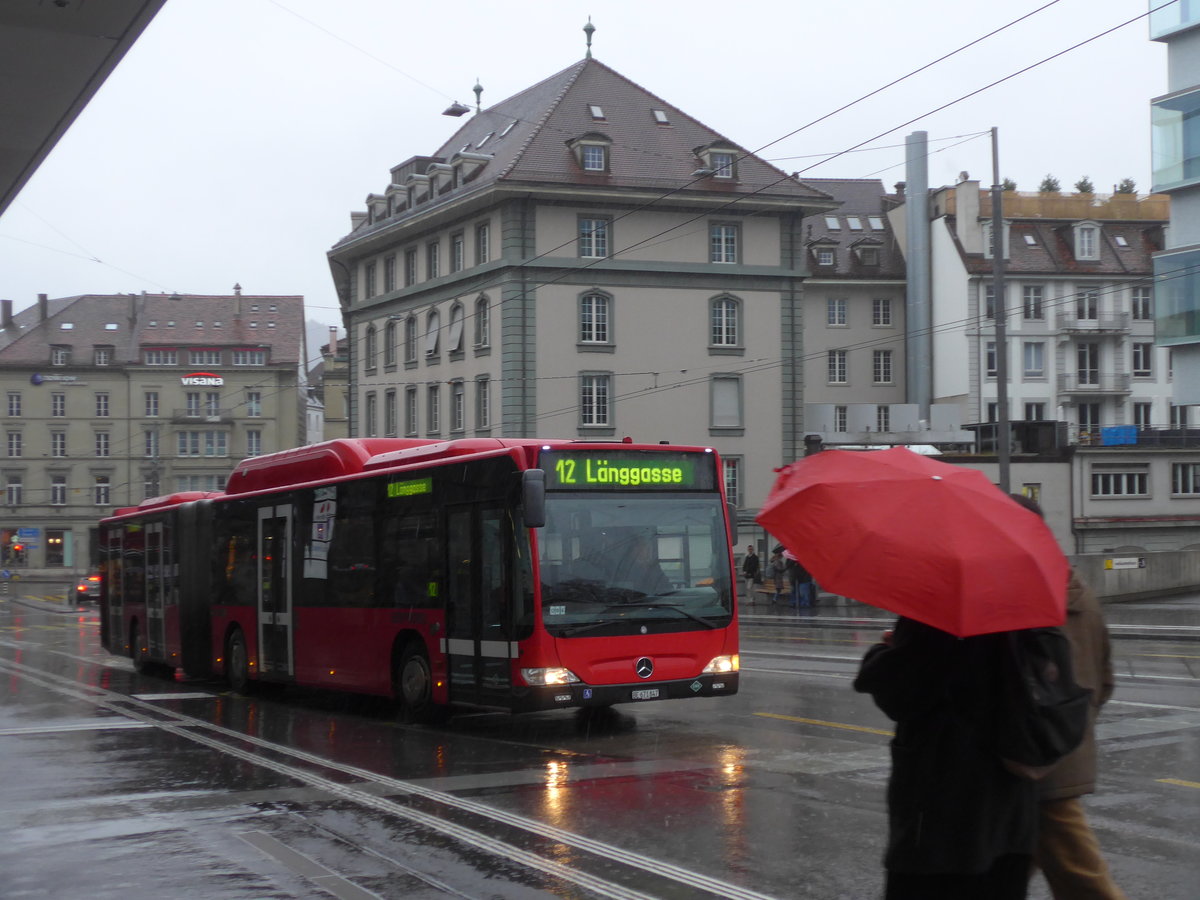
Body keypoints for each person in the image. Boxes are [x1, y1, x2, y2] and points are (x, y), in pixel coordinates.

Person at [854, 617, 1038, 899]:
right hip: (1011, 809)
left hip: (941, 808)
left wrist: (882, 652)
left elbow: (900, 692)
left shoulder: (936, 618)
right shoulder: (1025, 617)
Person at [1009, 495, 1124, 899]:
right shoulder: (1080, 591)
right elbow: (1104, 680)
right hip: (1065, 751)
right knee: (1001, 873)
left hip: (1032, 763)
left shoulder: (1018, 597)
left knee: (1084, 880)